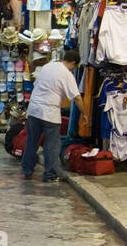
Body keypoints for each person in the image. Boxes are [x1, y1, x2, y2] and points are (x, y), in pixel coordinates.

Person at [23, 47, 88, 182]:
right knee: (51, 145)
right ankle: (50, 174)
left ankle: (27, 170)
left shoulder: (48, 66)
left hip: (34, 109)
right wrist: (85, 114)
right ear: (73, 64)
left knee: (31, 142)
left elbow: (38, 84)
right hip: (49, 113)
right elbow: (77, 98)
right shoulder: (67, 74)